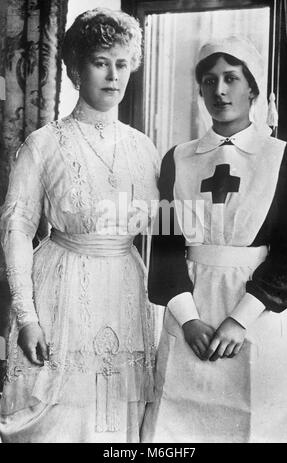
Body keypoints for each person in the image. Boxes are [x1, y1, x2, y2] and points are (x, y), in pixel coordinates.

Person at [0, 8, 159, 443]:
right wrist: (26, 315)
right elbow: (16, 229)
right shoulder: (44, 143)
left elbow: (163, 236)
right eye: (100, 62)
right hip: (61, 291)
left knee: (116, 422)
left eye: (122, 63)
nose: (113, 75)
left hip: (127, 292)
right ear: (73, 69)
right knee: (60, 422)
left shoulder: (144, 148)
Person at [141, 36, 287, 443]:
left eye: (232, 78)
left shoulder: (283, 157)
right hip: (188, 312)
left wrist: (238, 320)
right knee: (176, 429)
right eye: (209, 81)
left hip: (255, 316)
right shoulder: (177, 158)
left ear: (252, 88)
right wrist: (189, 319)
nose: (221, 90)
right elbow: (164, 244)